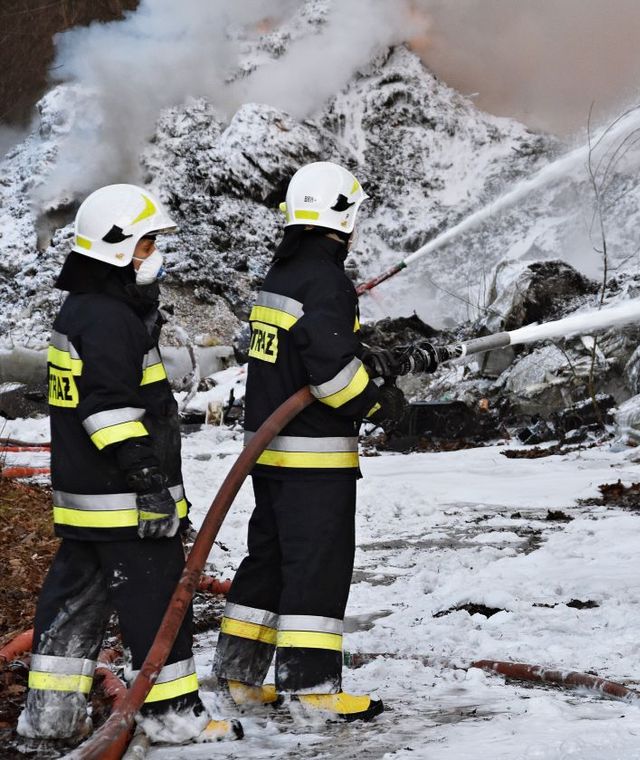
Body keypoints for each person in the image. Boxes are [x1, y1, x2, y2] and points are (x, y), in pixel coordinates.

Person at [213, 161, 443, 721]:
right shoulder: (326, 281)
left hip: (269, 453)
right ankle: (313, 689)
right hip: (312, 459)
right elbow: (332, 375)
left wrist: (368, 361)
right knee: (318, 564)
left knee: (268, 558)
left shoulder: (285, 274)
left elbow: (304, 352)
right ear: (340, 215)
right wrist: (377, 401)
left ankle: (240, 676)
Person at [17, 184, 242, 744]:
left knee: (72, 609)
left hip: (86, 500)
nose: (153, 255)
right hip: (124, 500)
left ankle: (49, 719)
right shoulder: (110, 318)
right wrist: (147, 476)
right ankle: (172, 718)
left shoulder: (84, 309)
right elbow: (106, 406)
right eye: (146, 244)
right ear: (117, 247)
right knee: (156, 607)